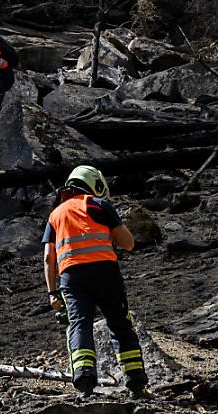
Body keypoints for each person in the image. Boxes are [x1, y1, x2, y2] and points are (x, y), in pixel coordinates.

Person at [42, 165, 149, 398]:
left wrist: (52, 293)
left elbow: (49, 258)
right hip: (105, 272)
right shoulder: (98, 204)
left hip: (71, 278)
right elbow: (128, 243)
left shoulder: (55, 214)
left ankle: (84, 382)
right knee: (120, 325)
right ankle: (136, 383)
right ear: (95, 184)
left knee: (79, 325)